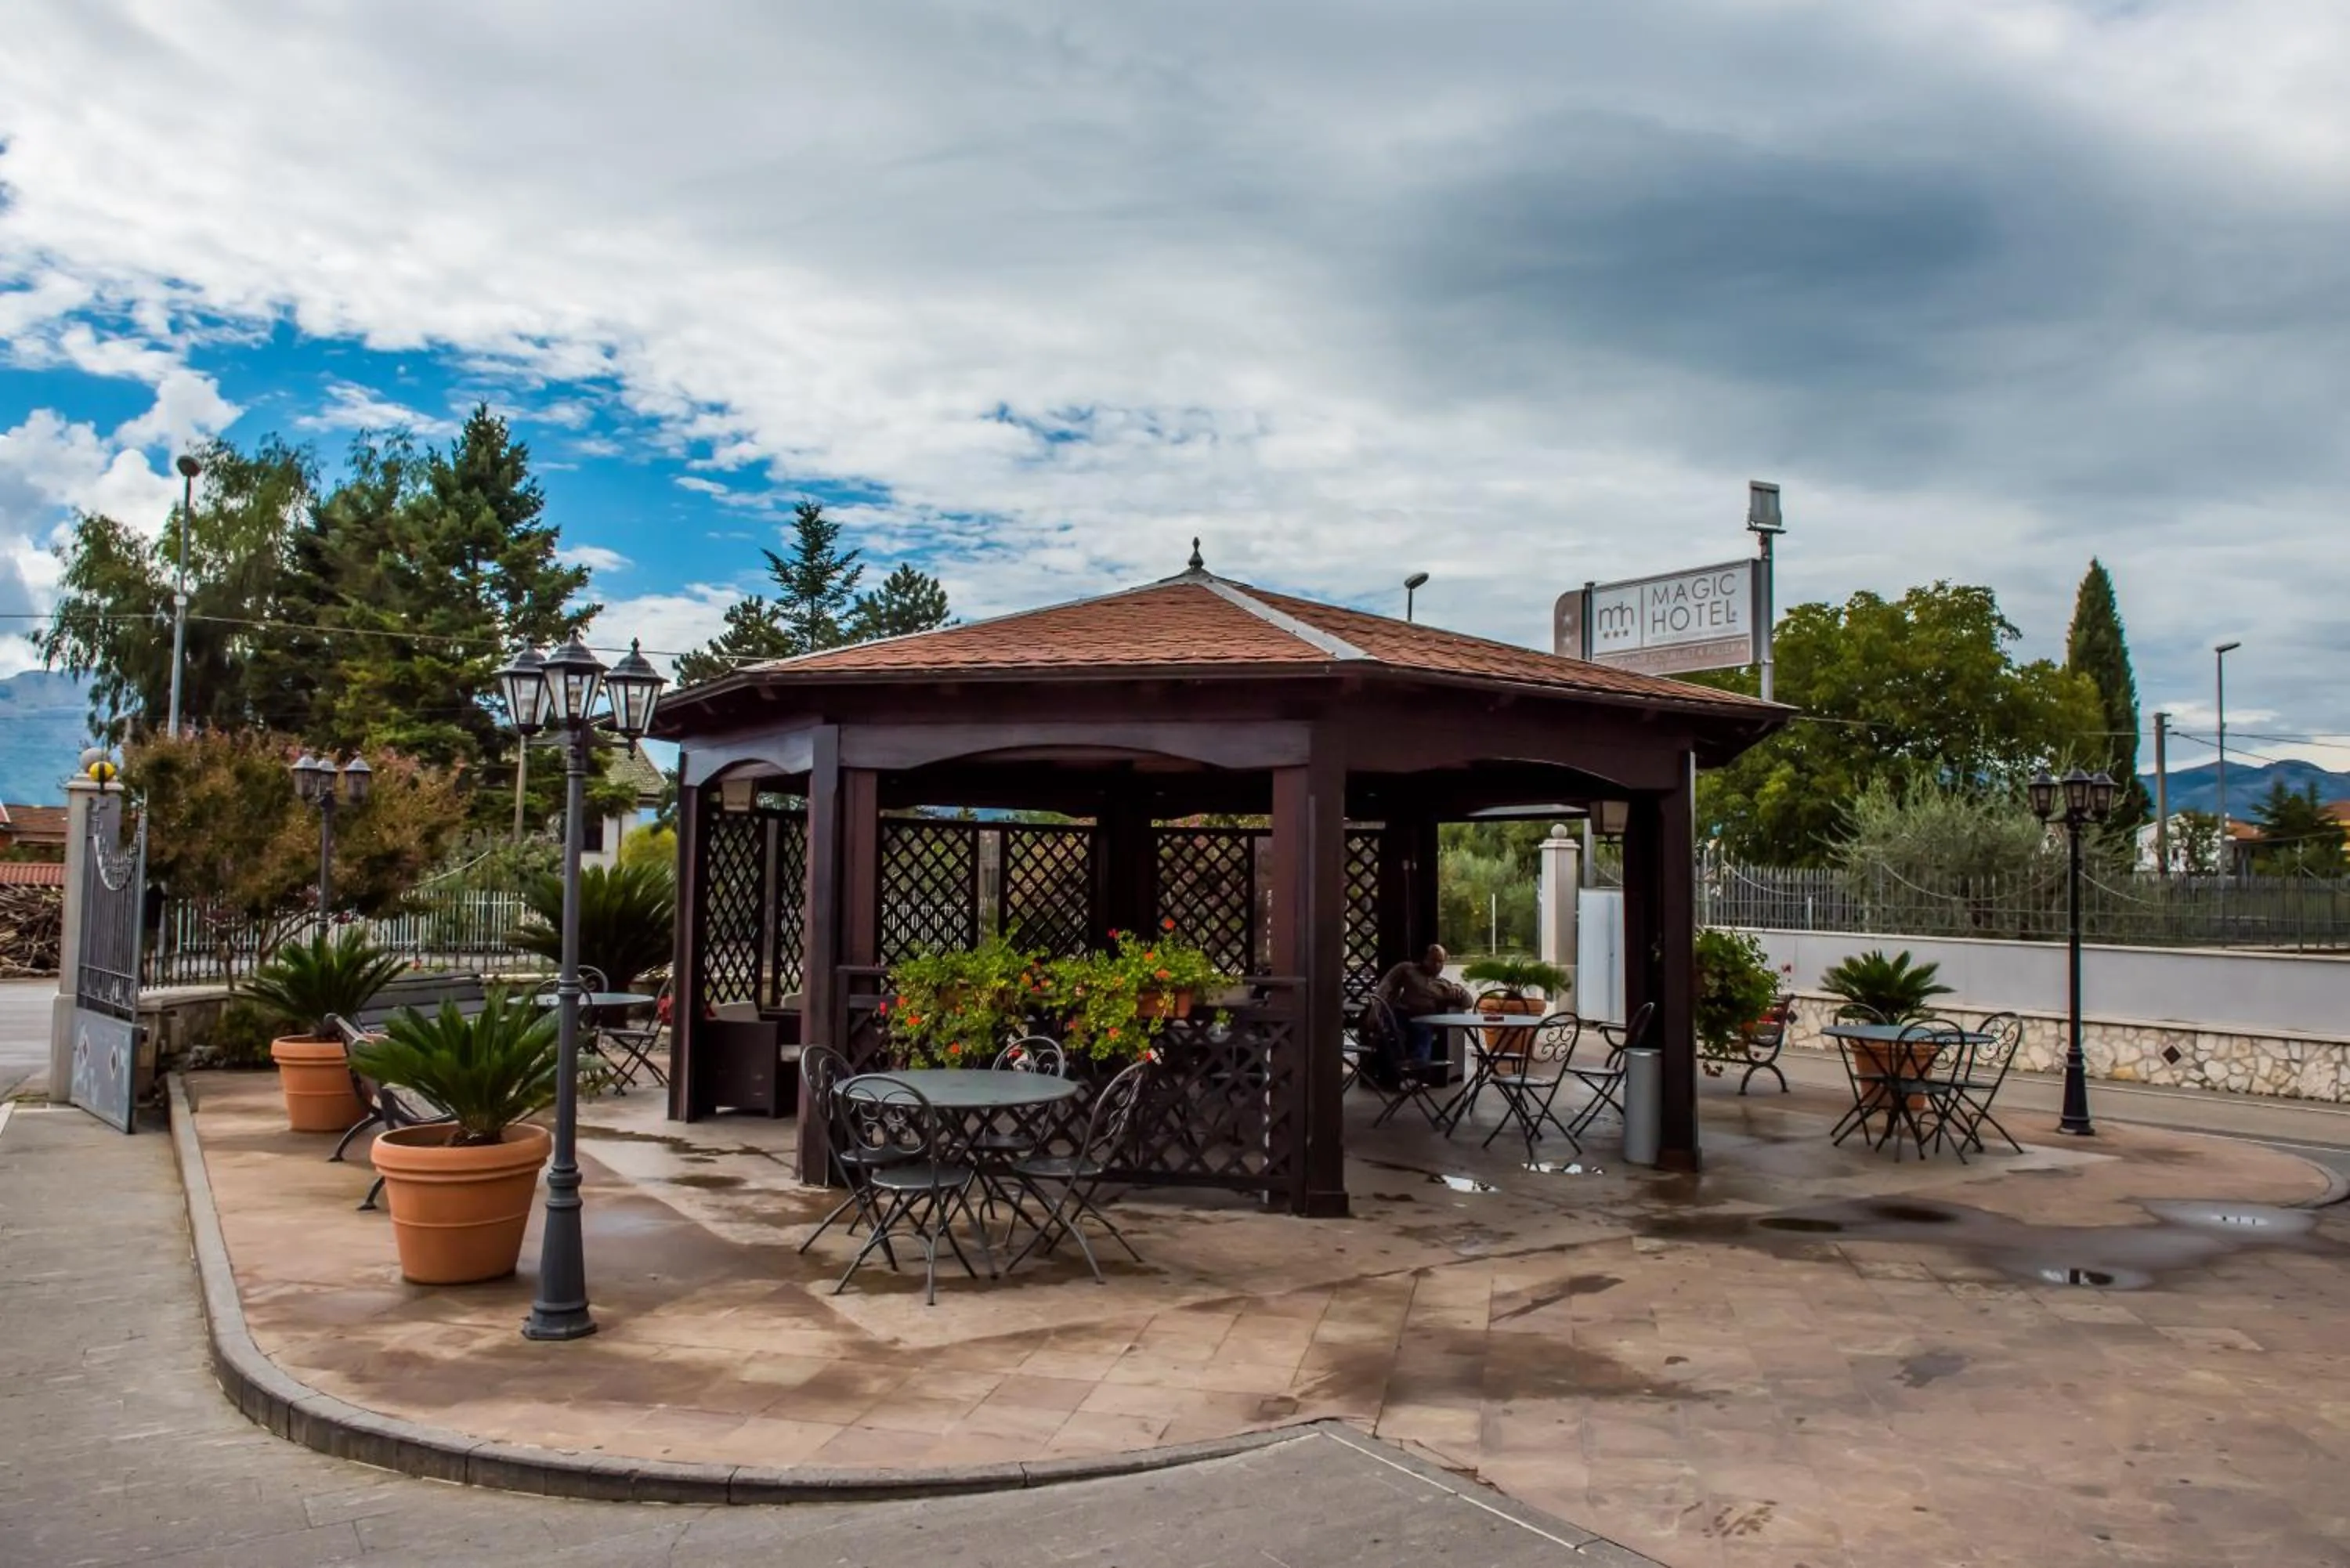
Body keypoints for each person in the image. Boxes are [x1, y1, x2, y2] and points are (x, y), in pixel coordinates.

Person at [1375, 945, 1471, 1072]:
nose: (1436, 965)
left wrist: (1460, 991)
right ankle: (1397, 1070)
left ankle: (1414, 1070)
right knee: (1395, 1029)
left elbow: (1468, 1003)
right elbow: (1385, 986)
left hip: (1425, 1018)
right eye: (1433, 960)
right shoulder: (1407, 969)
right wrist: (1375, 1010)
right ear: (1424, 959)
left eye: (1440, 962)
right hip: (1401, 1012)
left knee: (1423, 1033)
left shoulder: (1445, 985)